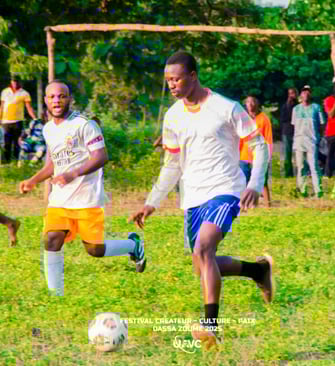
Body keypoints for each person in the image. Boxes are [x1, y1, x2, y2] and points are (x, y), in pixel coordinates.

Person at [129, 51, 274, 350]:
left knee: (204, 246)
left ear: (193, 76)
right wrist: (152, 201)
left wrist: (255, 184)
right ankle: (258, 270)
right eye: (168, 79)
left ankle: (211, 327)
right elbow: (172, 164)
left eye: (177, 78)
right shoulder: (172, 116)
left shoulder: (226, 108)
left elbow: (259, 146)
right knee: (202, 264)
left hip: (226, 189)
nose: (172, 84)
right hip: (192, 195)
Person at [19, 80, 146, 296]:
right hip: (60, 200)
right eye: (52, 97)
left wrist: (73, 173)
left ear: (70, 99)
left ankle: (133, 246)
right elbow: (52, 164)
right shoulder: (49, 129)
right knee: (51, 239)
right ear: (45, 101)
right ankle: (55, 296)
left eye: (62, 96)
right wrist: (33, 180)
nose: (57, 100)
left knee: (95, 250)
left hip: (87, 198)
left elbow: (101, 156)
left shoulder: (84, 124)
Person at [239, 95, 273, 207]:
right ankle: (244, 205)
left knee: (262, 181)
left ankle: (268, 205)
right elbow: (240, 137)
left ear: (257, 103)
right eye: (248, 102)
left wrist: (268, 156)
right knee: (243, 181)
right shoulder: (243, 118)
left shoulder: (264, 119)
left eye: (253, 101)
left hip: (259, 155)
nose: (250, 104)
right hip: (244, 155)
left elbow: (268, 138)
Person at [292, 85, 325, 198]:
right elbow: (294, 126)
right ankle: (302, 190)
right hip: (299, 141)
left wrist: (319, 137)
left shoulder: (316, 108)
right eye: (304, 92)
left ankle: (318, 191)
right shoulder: (296, 109)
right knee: (300, 166)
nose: (306, 94)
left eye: (308, 92)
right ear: (301, 94)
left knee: (314, 166)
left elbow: (321, 124)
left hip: (312, 141)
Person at [0, 75, 37, 163]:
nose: (15, 83)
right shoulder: (5, 92)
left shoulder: (24, 93)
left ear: (19, 82)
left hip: (18, 121)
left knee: (17, 143)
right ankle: (6, 162)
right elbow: (2, 106)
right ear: (11, 82)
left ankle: (17, 161)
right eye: (13, 81)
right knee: (7, 143)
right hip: (6, 121)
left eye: (16, 81)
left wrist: (35, 118)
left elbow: (29, 108)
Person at [280, 88, 298, 177]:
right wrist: (288, 105)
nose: (292, 95)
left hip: (298, 132)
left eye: (293, 93)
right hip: (287, 132)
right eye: (290, 93)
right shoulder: (285, 106)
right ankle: (288, 173)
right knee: (287, 154)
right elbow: (283, 119)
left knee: (299, 153)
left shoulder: (299, 106)